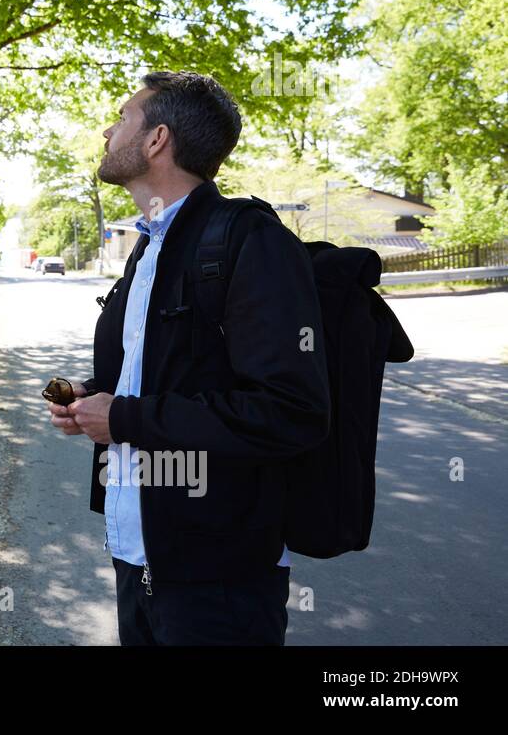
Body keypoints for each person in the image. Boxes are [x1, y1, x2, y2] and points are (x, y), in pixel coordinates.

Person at [49, 71, 330, 645]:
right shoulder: (148, 247)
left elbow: (291, 411)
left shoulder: (249, 242)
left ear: (156, 139)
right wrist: (92, 398)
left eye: (123, 117)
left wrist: (123, 417)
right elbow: (162, 374)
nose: (108, 129)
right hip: (136, 555)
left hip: (221, 579)